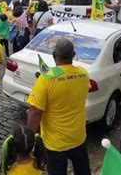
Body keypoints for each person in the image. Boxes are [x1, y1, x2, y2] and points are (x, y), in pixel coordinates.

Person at [27, 39, 91, 175]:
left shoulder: (46, 79)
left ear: (54, 55)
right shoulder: (84, 73)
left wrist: (28, 137)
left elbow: (35, 113)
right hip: (78, 137)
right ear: (73, 55)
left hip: (55, 144)